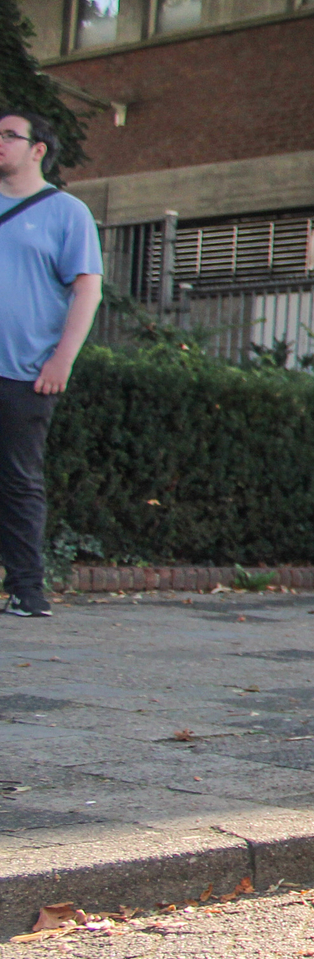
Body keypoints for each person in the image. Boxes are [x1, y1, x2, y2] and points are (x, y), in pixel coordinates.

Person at [0, 112, 102, 618]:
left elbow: (87, 289)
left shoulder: (67, 212)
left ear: (37, 149)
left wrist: (62, 360)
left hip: (25, 371)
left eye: (8, 135)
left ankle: (26, 590)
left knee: (19, 481)